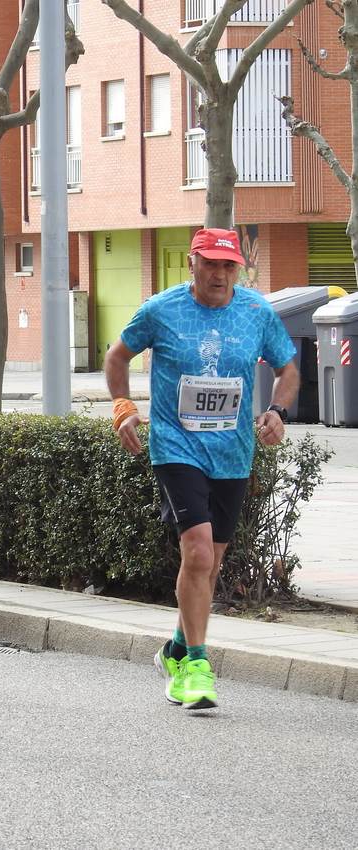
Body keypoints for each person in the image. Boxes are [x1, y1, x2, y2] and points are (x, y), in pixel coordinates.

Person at [104, 227, 299, 711]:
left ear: (239, 269)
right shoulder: (161, 310)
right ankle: (195, 665)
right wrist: (123, 407)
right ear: (191, 262)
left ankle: (174, 648)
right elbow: (117, 356)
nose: (219, 273)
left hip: (232, 452)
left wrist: (278, 411)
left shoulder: (256, 312)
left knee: (209, 560)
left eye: (228, 265)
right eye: (210, 263)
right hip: (175, 446)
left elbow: (288, 368)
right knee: (196, 553)